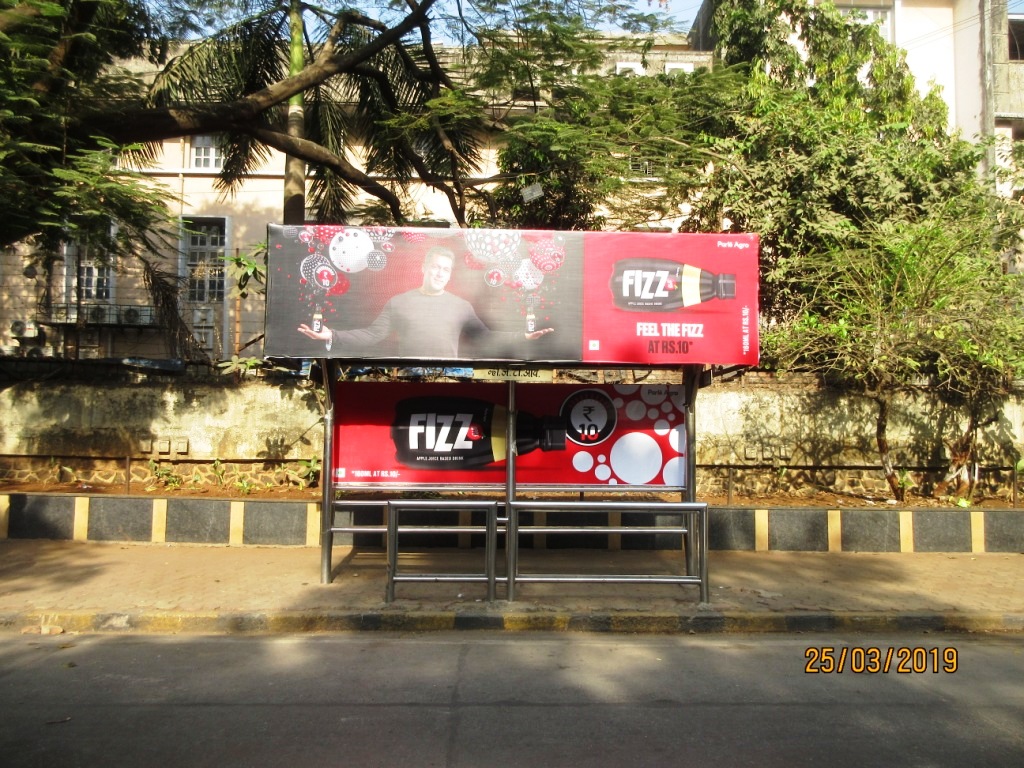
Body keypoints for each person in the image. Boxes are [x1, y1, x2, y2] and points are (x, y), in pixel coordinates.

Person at [297, 246, 553, 358]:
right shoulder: (399, 302)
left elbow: (486, 338)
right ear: (424, 268)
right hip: (410, 377)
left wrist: (523, 337)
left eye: (446, 269)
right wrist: (332, 335)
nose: (440, 273)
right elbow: (371, 335)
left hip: (449, 380)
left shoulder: (461, 306)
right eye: (436, 267)